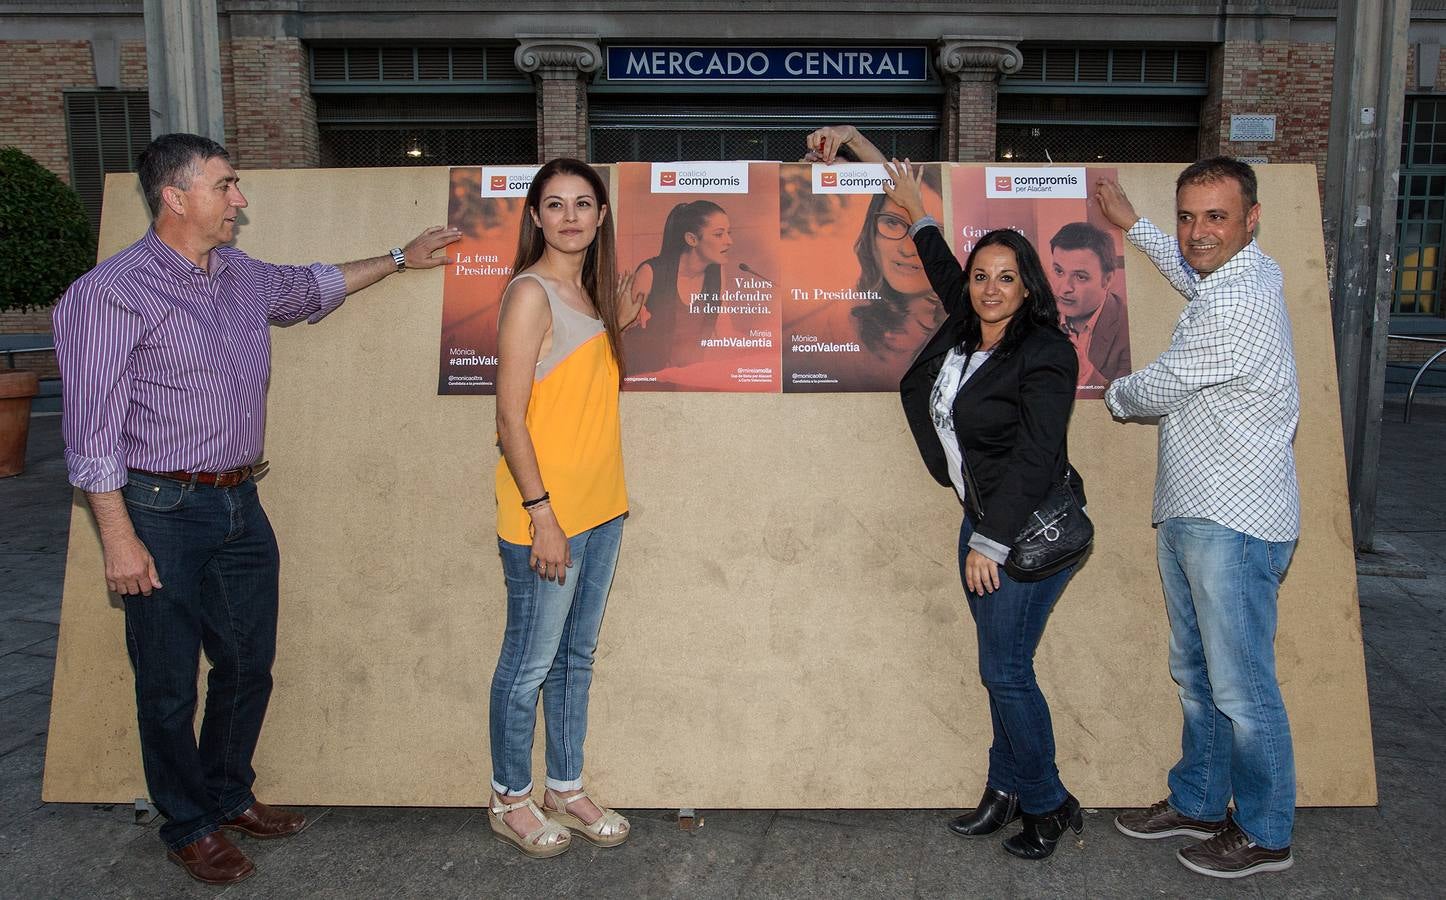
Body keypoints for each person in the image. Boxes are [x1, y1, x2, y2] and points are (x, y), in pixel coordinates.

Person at [51, 132, 460, 885]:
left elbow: (309, 287)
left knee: (247, 661)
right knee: (170, 680)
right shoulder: (109, 294)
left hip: (240, 500)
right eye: (226, 185)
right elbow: (91, 434)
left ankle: (228, 792)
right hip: (157, 509)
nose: (240, 200)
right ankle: (188, 822)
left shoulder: (236, 273)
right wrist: (118, 537)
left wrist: (401, 258)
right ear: (176, 197)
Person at [1095, 159, 1300, 879]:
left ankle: (1267, 833)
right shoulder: (1239, 279)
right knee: (1198, 674)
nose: (1198, 232)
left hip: (1233, 522)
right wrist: (1139, 227)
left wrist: (1105, 391)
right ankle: (1201, 801)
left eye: (1215, 216)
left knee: (1241, 685)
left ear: (1252, 217)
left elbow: (1162, 386)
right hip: (1198, 510)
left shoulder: (1239, 300)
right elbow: (1194, 277)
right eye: (1188, 216)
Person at [887, 158, 1087, 861]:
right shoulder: (969, 329)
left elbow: (1038, 456)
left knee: (1004, 671)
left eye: (1007, 277)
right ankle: (1005, 790)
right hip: (981, 524)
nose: (990, 288)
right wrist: (914, 208)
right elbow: (943, 264)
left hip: (1021, 535)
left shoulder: (1047, 353)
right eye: (981, 276)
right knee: (1005, 665)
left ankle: (1046, 801)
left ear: (1028, 283)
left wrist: (990, 542)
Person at [487, 157, 643, 858]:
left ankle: (565, 785)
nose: (571, 216)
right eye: (555, 205)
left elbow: (576, 390)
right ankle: (509, 798)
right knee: (528, 662)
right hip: (546, 516)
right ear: (535, 217)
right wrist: (541, 513)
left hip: (603, 508)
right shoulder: (530, 293)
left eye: (584, 203)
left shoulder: (590, 296)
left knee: (575, 658)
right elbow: (510, 419)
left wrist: (624, 320)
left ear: (601, 216)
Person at [802, 125, 946, 384]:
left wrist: (853, 137)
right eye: (892, 223)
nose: (906, 246)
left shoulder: (959, 321)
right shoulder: (840, 326)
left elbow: (893, 185)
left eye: (922, 227)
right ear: (871, 234)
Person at [627, 199, 730, 375]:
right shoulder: (649, 272)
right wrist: (631, 320)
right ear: (691, 239)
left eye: (728, 233)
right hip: (649, 379)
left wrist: (770, 345)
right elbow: (621, 331)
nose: (729, 241)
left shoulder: (716, 273)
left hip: (690, 379)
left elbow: (725, 332)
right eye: (719, 234)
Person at [1048, 221, 1132, 388]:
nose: (1064, 288)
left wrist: (1087, 374)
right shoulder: (1039, 318)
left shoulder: (1129, 327)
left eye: (1080, 277)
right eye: (1059, 271)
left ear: (1107, 280)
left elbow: (1127, 401)